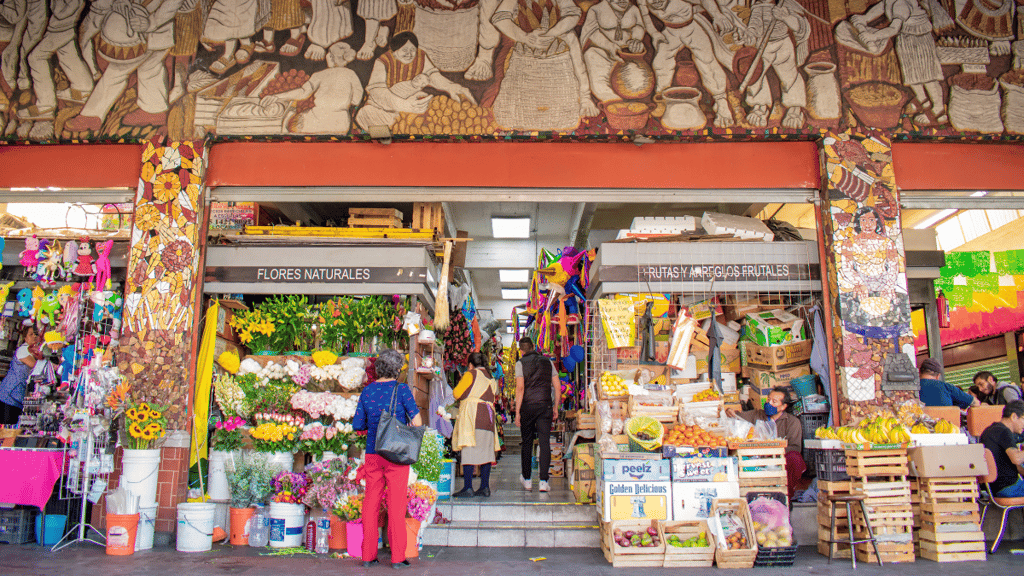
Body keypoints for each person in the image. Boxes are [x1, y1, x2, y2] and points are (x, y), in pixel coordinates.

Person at [351, 348, 422, 569]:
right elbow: (417, 422)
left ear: (379, 368)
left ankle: (367, 555)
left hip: (373, 454)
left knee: (370, 503)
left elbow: (357, 425)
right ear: (397, 369)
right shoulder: (402, 390)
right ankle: (397, 557)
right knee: (397, 504)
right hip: (396, 455)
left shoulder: (367, 391)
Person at [355, 31, 476, 133]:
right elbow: (378, 92)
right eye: (404, 50)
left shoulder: (420, 56)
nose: (409, 54)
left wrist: (451, 87)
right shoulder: (383, 61)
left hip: (414, 106)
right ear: (395, 51)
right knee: (365, 114)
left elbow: (432, 76)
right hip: (385, 108)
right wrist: (405, 105)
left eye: (412, 49)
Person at [260, 42, 363, 135]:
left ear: (330, 57)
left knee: (289, 122)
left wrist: (277, 97)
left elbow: (303, 92)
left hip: (317, 120)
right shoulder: (352, 75)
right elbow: (356, 100)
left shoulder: (320, 75)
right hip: (341, 123)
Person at [726, 386, 804, 499]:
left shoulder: (792, 422)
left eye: (774, 401)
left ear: (783, 406)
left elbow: (795, 447)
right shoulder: (757, 415)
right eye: (768, 400)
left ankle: (785, 496)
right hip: (757, 458)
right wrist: (729, 411)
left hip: (780, 459)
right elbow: (737, 415)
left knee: (795, 458)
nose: (769, 403)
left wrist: (772, 452)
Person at [514, 336, 559, 493]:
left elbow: (520, 389)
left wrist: (517, 412)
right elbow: (557, 386)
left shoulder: (520, 364)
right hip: (545, 406)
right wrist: (556, 406)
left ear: (521, 350)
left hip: (527, 407)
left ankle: (527, 479)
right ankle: (543, 482)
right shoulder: (548, 362)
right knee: (544, 442)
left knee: (527, 442)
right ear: (533, 346)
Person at [452, 352, 500, 498]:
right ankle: (484, 487)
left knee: (469, 450)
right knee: (486, 452)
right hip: (488, 418)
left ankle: (468, 487)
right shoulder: (492, 379)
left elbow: (457, 393)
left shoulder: (471, 374)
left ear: (471, 364)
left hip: (473, 416)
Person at [979, 400, 1024, 497]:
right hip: (1009, 487)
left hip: (994, 488)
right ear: (1014, 416)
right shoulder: (1004, 431)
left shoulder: (990, 430)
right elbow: (1017, 459)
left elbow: (1016, 466)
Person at [0, 324, 42, 425]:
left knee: (12, 424)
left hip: (16, 395)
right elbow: (36, 366)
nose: (34, 336)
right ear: (25, 338)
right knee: (7, 425)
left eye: (35, 334)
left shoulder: (33, 351)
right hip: (9, 394)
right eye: (31, 334)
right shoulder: (23, 350)